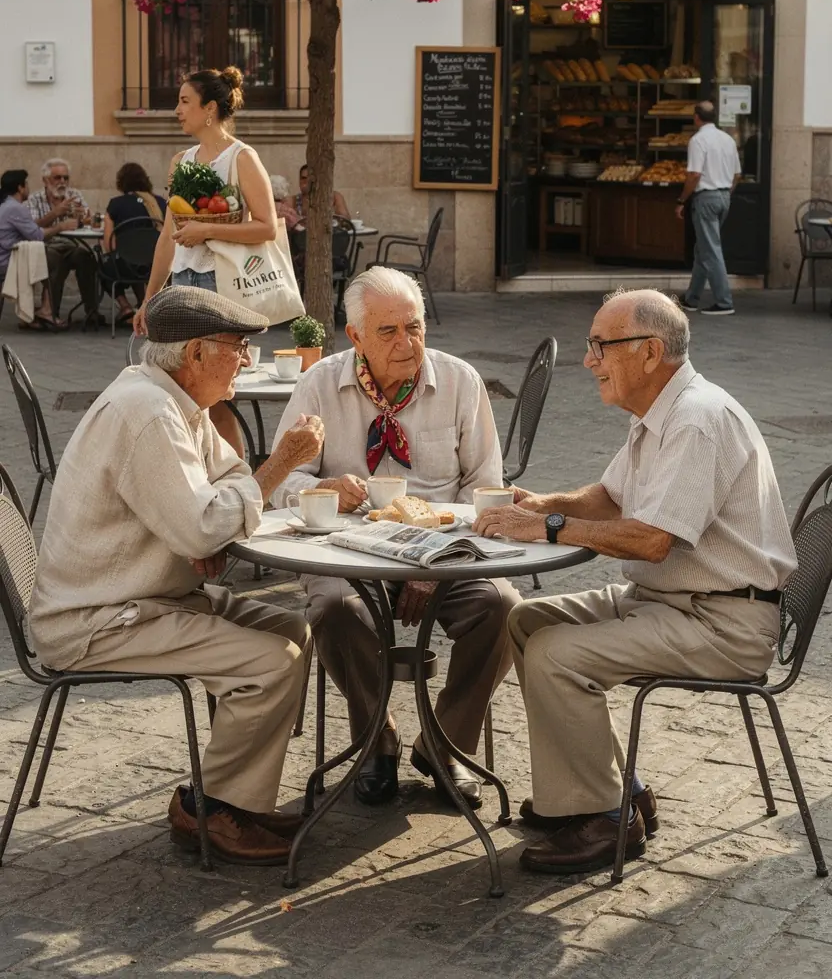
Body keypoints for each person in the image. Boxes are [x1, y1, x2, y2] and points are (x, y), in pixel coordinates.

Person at [474, 288, 797, 878]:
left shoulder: (696, 419)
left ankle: (600, 820)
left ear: (649, 352)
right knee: (526, 620)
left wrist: (549, 526)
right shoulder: (661, 412)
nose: (588, 359)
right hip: (669, 601)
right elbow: (608, 498)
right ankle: (613, 790)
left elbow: (653, 540)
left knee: (555, 654)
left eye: (600, 345)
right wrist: (538, 502)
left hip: (722, 621)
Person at [28, 286, 326, 866]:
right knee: (271, 661)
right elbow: (206, 524)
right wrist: (281, 464)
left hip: (146, 597)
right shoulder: (149, 413)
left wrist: (211, 525)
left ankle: (235, 799)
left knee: (292, 629)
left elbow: (224, 482)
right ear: (194, 355)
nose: (246, 359)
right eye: (237, 346)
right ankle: (213, 810)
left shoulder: (177, 402)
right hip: (96, 618)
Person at [271, 265, 520, 810]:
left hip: (444, 552)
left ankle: (445, 743)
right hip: (345, 554)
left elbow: (486, 488)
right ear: (355, 336)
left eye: (415, 326)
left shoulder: (459, 381)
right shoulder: (319, 384)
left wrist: (436, 570)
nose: (408, 344)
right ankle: (375, 738)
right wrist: (321, 488)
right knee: (333, 607)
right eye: (388, 332)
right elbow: (280, 478)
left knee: (504, 605)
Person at [133, 67, 278, 456]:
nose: (177, 110)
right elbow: (168, 235)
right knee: (182, 390)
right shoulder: (181, 161)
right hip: (181, 282)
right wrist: (150, 298)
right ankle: (195, 473)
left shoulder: (242, 158)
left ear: (209, 108)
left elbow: (267, 228)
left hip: (222, 285)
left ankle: (238, 480)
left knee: (217, 395)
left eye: (184, 102)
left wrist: (206, 231)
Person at [676, 102, 741, 316]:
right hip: (724, 196)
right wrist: (724, 194)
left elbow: (694, 174)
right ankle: (692, 298)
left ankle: (724, 301)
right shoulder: (728, 139)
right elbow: (737, 175)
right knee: (703, 248)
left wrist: (682, 200)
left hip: (707, 197)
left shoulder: (698, 140)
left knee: (710, 250)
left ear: (696, 118)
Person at [27, 158, 100, 325]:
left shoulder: (74, 195)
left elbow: (88, 220)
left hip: (71, 244)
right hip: (47, 244)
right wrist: (55, 214)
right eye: (57, 178)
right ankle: (51, 313)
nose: (62, 182)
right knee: (54, 259)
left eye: (65, 178)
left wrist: (85, 218)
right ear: (45, 180)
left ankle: (92, 311)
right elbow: (31, 228)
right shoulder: (35, 199)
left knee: (87, 258)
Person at [99, 162, 168, 324]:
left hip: (125, 266)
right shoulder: (160, 203)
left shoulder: (115, 204)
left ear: (121, 183)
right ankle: (145, 306)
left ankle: (125, 307)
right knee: (140, 258)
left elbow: (109, 245)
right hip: (155, 266)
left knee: (103, 266)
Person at [0, 169, 67, 330]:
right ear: (20, 187)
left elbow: (30, 229)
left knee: (50, 257)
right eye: (27, 184)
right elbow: (37, 235)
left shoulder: (6, 205)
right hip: (7, 260)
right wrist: (61, 226)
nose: (29, 187)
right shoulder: (15, 208)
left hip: (7, 255)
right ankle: (46, 311)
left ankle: (36, 312)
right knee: (56, 261)